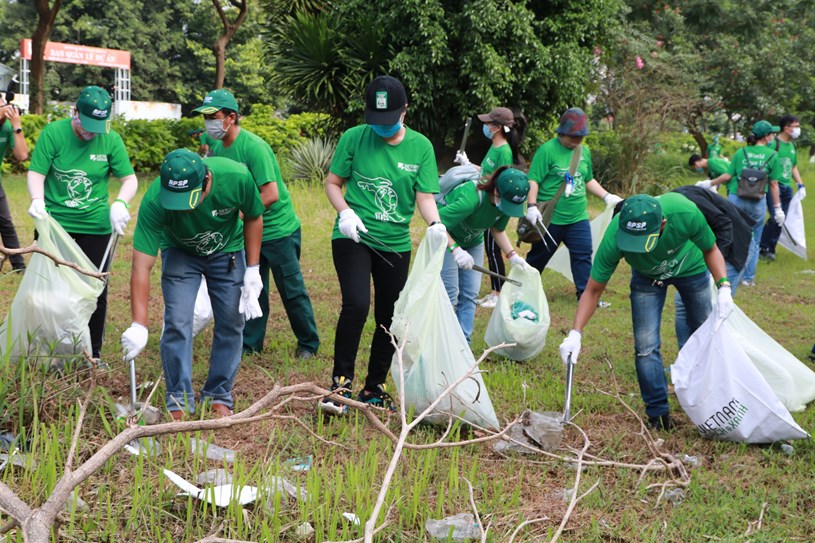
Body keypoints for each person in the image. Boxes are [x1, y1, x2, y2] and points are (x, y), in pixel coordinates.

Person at [319, 75, 444, 415]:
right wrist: (344, 212)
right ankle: (339, 385)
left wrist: (435, 224)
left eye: (389, 121)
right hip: (353, 236)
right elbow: (333, 183)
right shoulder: (354, 138)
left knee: (389, 317)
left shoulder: (421, 147)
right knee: (356, 304)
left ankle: (374, 388)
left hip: (394, 242)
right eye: (376, 122)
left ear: (405, 110)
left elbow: (425, 196)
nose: (382, 128)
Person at [558, 193, 734, 431]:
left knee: (706, 335)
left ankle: (712, 400)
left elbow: (710, 249)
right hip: (646, 278)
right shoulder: (614, 236)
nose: (637, 249)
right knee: (646, 346)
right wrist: (575, 333)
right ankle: (658, 415)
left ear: (662, 224)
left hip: (690, 268)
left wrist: (723, 286)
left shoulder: (685, 213)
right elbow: (592, 290)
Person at [120, 149, 264, 420]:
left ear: (206, 181)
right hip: (180, 252)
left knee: (232, 321)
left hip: (227, 252)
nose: (183, 207)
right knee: (177, 321)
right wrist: (139, 325)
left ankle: (219, 394)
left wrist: (253, 269)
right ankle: (179, 398)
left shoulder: (236, 177)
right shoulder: (155, 200)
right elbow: (141, 265)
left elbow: (254, 215)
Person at [194, 89, 320, 358]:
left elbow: (270, 194)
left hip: (278, 231)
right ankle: (251, 344)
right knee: (250, 287)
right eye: (205, 117)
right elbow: (205, 148)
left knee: (291, 289)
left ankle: (308, 344)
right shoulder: (215, 144)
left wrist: (238, 216)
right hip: (246, 232)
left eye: (213, 117)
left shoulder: (254, 148)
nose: (208, 123)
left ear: (232, 117)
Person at [27, 86, 137, 361]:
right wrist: (37, 200)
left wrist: (120, 203)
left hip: (96, 226)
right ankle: (48, 350)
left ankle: (92, 353)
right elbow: (37, 172)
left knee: (94, 289)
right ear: (75, 112)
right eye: (87, 124)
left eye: (97, 126)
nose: (90, 132)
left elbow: (130, 179)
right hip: (55, 224)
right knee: (49, 288)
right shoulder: (54, 133)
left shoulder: (111, 139)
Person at [524, 107, 622, 299]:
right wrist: (532, 206)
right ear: (562, 133)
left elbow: (588, 179)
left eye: (580, 137)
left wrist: (606, 196)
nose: (577, 141)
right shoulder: (547, 150)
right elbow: (533, 179)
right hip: (551, 218)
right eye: (573, 137)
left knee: (583, 255)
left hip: (577, 217)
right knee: (539, 256)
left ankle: (585, 296)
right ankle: (522, 290)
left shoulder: (583, 151)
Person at [439, 166, 529, 342]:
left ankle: (463, 344)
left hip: (473, 242)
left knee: (470, 293)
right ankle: (443, 344)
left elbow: (497, 230)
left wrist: (512, 255)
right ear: (495, 190)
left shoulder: (504, 205)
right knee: (449, 294)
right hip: (446, 238)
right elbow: (436, 223)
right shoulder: (471, 199)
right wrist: (455, 250)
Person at [698, 120, 783, 289]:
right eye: (772, 134)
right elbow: (774, 184)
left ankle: (720, 272)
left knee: (730, 237)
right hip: (757, 202)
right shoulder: (773, 155)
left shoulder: (741, 152)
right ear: (766, 137)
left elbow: (727, 177)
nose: (773, 137)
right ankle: (748, 278)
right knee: (754, 241)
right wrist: (778, 208)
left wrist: (709, 184)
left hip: (736, 199)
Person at [454, 106, 525, 308]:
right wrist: (469, 165)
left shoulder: (504, 151)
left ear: (498, 127)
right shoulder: (495, 146)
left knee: (493, 248)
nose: (485, 126)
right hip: (482, 201)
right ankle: (495, 291)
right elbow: (487, 173)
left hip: (491, 206)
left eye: (488, 123)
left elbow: (498, 181)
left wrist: (512, 255)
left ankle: (497, 291)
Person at [759, 115, 807, 262]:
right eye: (795, 126)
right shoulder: (774, 144)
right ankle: (764, 247)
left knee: (782, 219)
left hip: (787, 187)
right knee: (776, 217)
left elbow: (793, 166)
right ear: (786, 128)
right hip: (774, 186)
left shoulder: (792, 146)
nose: (798, 129)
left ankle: (769, 247)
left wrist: (800, 184)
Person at [0, 96, 29, 272]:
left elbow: (22, 155)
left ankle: (19, 267)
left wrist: (17, 126)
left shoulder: (7, 128)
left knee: (6, 223)